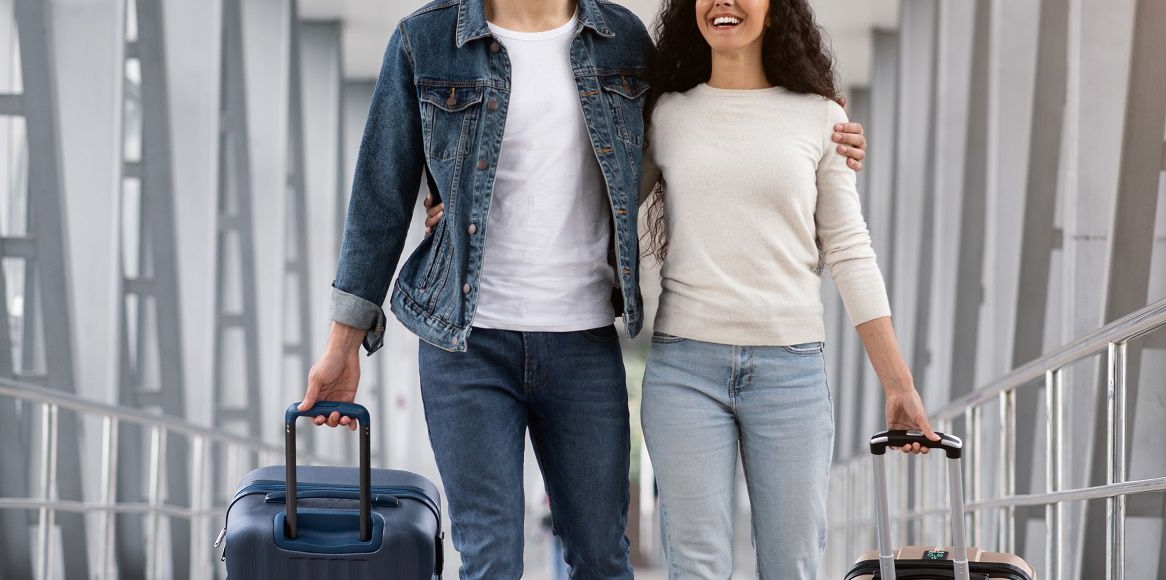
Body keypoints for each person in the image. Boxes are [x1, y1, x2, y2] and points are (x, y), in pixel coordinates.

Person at [302, 0, 867, 576]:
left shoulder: (621, 38)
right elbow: (378, 200)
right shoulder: (425, 40)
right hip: (466, 346)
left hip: (583, 344)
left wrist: (819, 126)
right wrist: (341, 348)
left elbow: (703, 116)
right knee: (490, 558)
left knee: (601, 557)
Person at [636, 0, 933, 577]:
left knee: (792, 565)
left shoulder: (821, 119)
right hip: (683, 371)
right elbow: (599, 209)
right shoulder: (667, 115)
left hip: (790, 376)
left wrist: (899, 384)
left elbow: (848, 249)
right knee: (696, 563)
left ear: (775, 11)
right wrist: (465, 203)